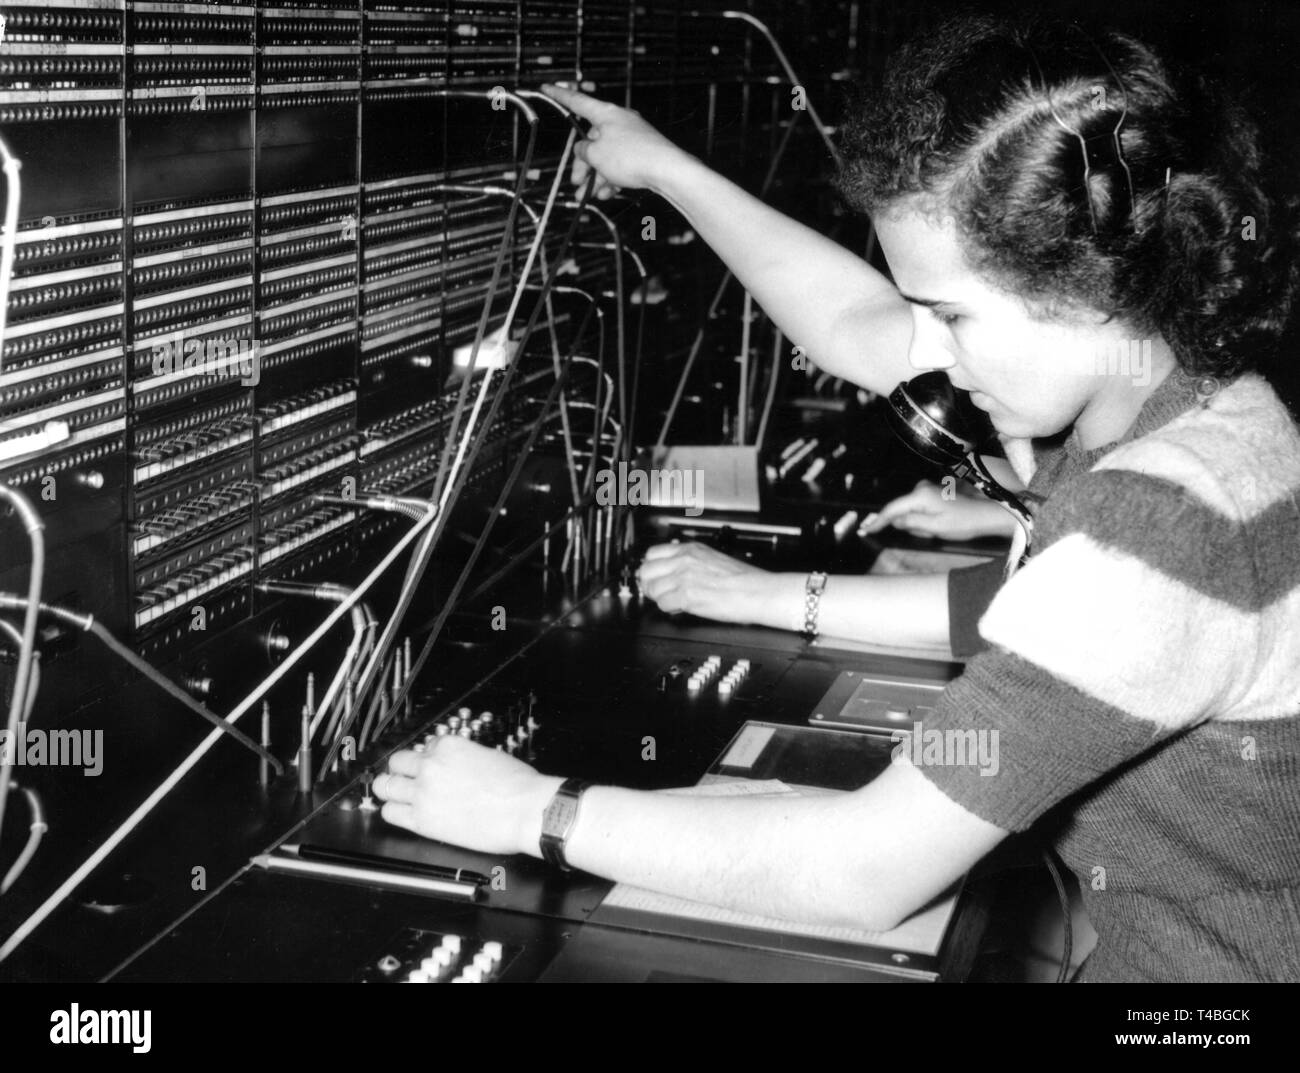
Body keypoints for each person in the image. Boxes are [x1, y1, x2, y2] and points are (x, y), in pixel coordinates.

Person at [373, 14, 1300, 981]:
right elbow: (859, 324)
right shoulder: (1180, 394)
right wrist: (664, 171)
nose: (925, 356)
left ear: (1084, 283)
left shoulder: (1162, 524)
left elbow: (862, 872)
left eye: (949, 314)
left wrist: (534, 810)